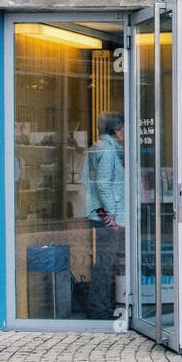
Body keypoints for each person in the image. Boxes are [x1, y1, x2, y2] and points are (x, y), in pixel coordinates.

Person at [83, 112, 126, 319]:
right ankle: (98, 308)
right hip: (107, 216)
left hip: (99, 214)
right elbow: (103, 183)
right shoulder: (108, 151)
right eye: (124, 128)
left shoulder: (97, 148)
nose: (127, 133)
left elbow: (89, 180)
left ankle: (101, 305)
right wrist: (111, 213)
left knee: (103, 262)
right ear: (117, 130)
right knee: (105, 263)